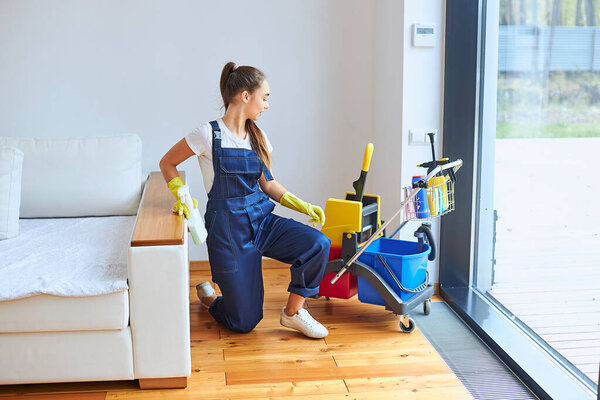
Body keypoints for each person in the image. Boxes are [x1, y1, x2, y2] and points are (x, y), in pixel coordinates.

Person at [159, 62, 331, 338]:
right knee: (244, 322)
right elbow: (167, 162)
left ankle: (293, 313)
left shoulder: (257, 135)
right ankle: (211, 300)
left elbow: (268, 184)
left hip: (261, 221)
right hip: (228, 231)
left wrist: (302, 205)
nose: (267, 105)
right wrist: (181, 193)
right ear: (245, 95)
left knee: (317, 244)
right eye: (265, 98)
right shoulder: (208, 134)